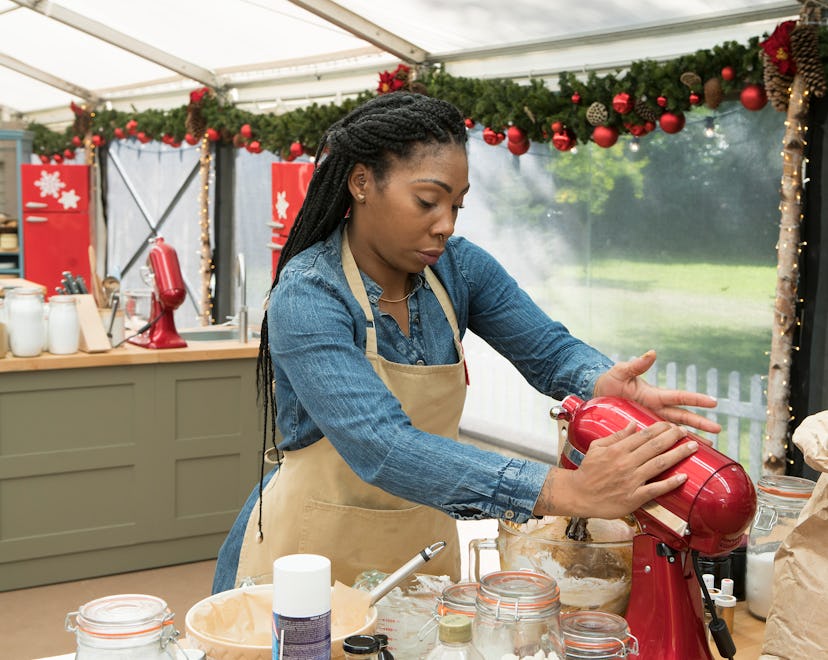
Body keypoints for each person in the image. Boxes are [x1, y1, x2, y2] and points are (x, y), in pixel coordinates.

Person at [212, 92, 720, 593]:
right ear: (362, 182)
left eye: (456, 205)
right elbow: (383, 447)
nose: (446, 225)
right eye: (427, 201)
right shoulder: (309, 294)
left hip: (421, 553)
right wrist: (567, 490)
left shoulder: (460, 268)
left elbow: (550, 351)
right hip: (306, 561)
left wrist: (600, 381)